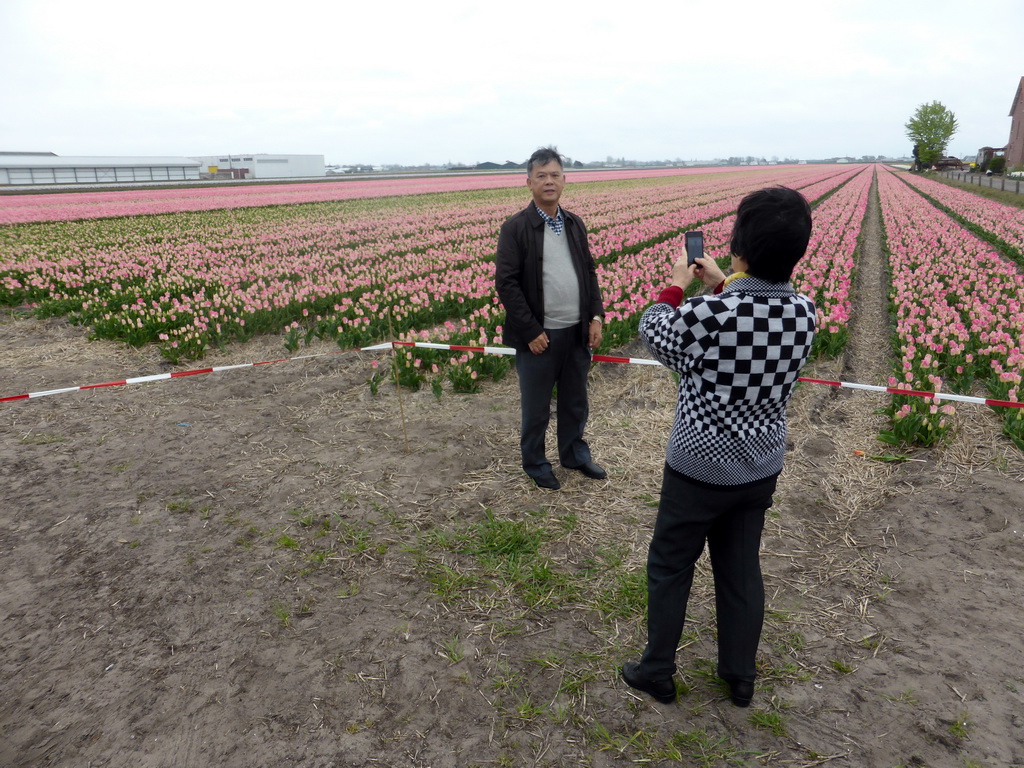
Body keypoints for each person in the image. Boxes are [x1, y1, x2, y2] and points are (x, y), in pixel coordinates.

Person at [621, 186, 817, 707]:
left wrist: (677, 284)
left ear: (739, 245)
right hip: (761, 463)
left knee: (670, 565)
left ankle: (657, 669)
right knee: (740, 567)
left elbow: (654, 333)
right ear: (797, 250)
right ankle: (740, 675)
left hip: (699, 466)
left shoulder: (713, 314)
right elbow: (757, 308)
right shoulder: (805, 312)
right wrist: (726, 281)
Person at [495, 147, 607, 490]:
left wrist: (596, 316)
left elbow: (588, 271)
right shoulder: (516, 227)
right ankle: (536, 462)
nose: (548, 181)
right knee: (537, 406)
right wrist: (530, 330)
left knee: (575, 401)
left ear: (564, 180)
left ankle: (574, 454)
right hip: (539, 336)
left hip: (576, 332)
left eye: (555, 175)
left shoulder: (574, 223)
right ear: (528, 182)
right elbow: (506, 283)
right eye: (541, 176)